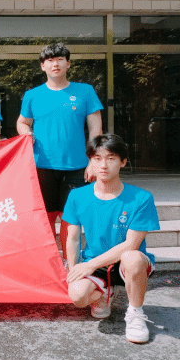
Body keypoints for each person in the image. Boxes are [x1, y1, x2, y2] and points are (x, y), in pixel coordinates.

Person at [64, 134, 159, 344]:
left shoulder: (141, 198)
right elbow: (73, 238)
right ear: (90, 161)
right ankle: (105, 293)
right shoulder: (77, 196)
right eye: (97, 158)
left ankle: (135, 313)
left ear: (123, 162)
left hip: (128, 264)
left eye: (111, 158)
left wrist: (89, 266)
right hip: (95, 263)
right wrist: (74, 269)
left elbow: (131, 245)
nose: (103, 165)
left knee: (133, 257)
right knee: (77, 295)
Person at [16, 43, 102, 257]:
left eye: (60, 60)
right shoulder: (33, 95)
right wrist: (26, 132)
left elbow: (95, 129)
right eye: (50, 61)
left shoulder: (85, 91)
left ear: (68, 63)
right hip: (41, 165)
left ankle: (68, 261)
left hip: (77, 166)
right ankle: (47, 261)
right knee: (44, 217)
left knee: (70, 218)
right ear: (43, 66)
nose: (55, 64)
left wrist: (93, 161)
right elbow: (22, 122)